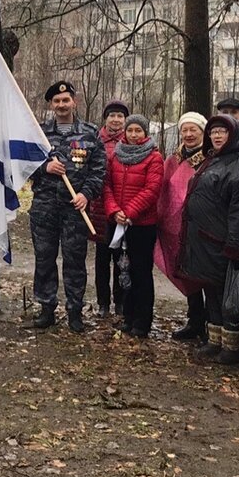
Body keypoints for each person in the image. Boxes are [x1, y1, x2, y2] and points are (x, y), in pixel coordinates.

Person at [179, 114, 239, 364]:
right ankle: (214, 340)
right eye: (213, 132)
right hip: (204, 240)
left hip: (223, 242)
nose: (217, 136)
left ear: (233, 135)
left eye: (222, 132)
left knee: (228, 294)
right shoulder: (211, 159)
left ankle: (231, 345)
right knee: (210, 290)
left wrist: (236, 245)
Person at [29, 81, 106, 333]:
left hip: (75, 209)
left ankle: (75, 311)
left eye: (66, 100)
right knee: (44, 259)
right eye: (57, 101)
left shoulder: (90, 133)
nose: (61, 105)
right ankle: (46, 308)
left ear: (75, 102)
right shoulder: (39, 133)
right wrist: (45, 167)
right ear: (51, 105)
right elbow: (24, 165)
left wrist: (86, 194)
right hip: (44, 208)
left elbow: (98, 170)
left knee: (74, 261)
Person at [102, 114, 164, 338]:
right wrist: (114, 210)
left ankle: (142, 321)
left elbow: (152, 189)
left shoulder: (154, 157)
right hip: (117, 223)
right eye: (130, 130)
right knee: (122, 270)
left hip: (141, 225)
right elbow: (106, 186)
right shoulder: (116, 155)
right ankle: (127, 317)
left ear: (145, 133)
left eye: (138, 130)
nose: (134, 134)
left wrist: (129, 212)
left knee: (141, 272)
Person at [153, 112, 209, 342]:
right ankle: (195, 319)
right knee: (186, 272)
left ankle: (211, 323)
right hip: (175, 228)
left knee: (206, 275)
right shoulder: (173, 159)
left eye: (193, 130)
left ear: (203, 132)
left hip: (203, 226)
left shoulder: (210, 158)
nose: (188, 134)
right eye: (184, 130)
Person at [94, 99, 129, 318]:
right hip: (99, 208)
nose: (116, 120)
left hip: (122, 210)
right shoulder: (95, 139)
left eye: (120, 116)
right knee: (101, 259)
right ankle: (102, 302)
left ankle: (120, 302)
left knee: (121, 258)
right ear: (105, 118)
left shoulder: (130, 140)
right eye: (112, 115)